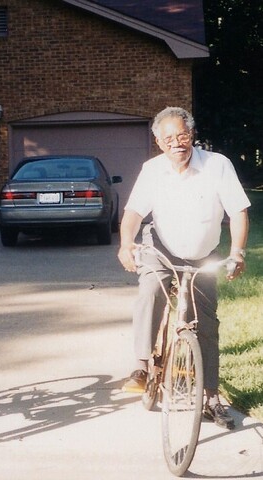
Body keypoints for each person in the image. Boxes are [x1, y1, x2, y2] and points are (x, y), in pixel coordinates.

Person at [117, 107, 250, 430]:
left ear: (192, 135)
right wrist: (126, 243)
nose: (176, 143)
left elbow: (238, 212)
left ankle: (211, 398)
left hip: (203, 253)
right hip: (161, 247)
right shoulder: (152, 170)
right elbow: (134, 213)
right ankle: (142, 366)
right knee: (151, 291)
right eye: (168, 139)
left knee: (207, 323)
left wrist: (237, 252)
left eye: (183, 135)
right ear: (159, 142)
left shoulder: (217, 165)